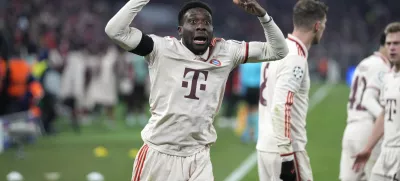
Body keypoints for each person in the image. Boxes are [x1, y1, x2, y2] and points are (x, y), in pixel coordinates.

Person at [105, 0, 289, 180]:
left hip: (198, 155)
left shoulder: (226, 51)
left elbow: (279, 51)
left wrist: (263, 16)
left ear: (212, 30)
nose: (201, 26)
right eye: (193, 22)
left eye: (206, 22)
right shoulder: (161, 48)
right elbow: (114, 31)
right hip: (159, 152)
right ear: (180, 30)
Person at [256, 0, 328, 180]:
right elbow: (281, 106)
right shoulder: (295, 57)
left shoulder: (276, 49)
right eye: (324, 24)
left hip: (265, 146)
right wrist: (288, 158)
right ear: (317, 26)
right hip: (284, 150)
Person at [339, 33, 391, 181]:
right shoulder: (382, 67)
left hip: (350, 129)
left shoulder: (365, 62)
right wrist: (388, 119)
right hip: (368, 129)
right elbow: (368, 100)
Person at [353, 22, 400, 181]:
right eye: (389, 44)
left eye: (397, 43)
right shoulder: (388, 78)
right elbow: (384, 115)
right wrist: (368, 148)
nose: (392, 47)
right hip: (386, 152)